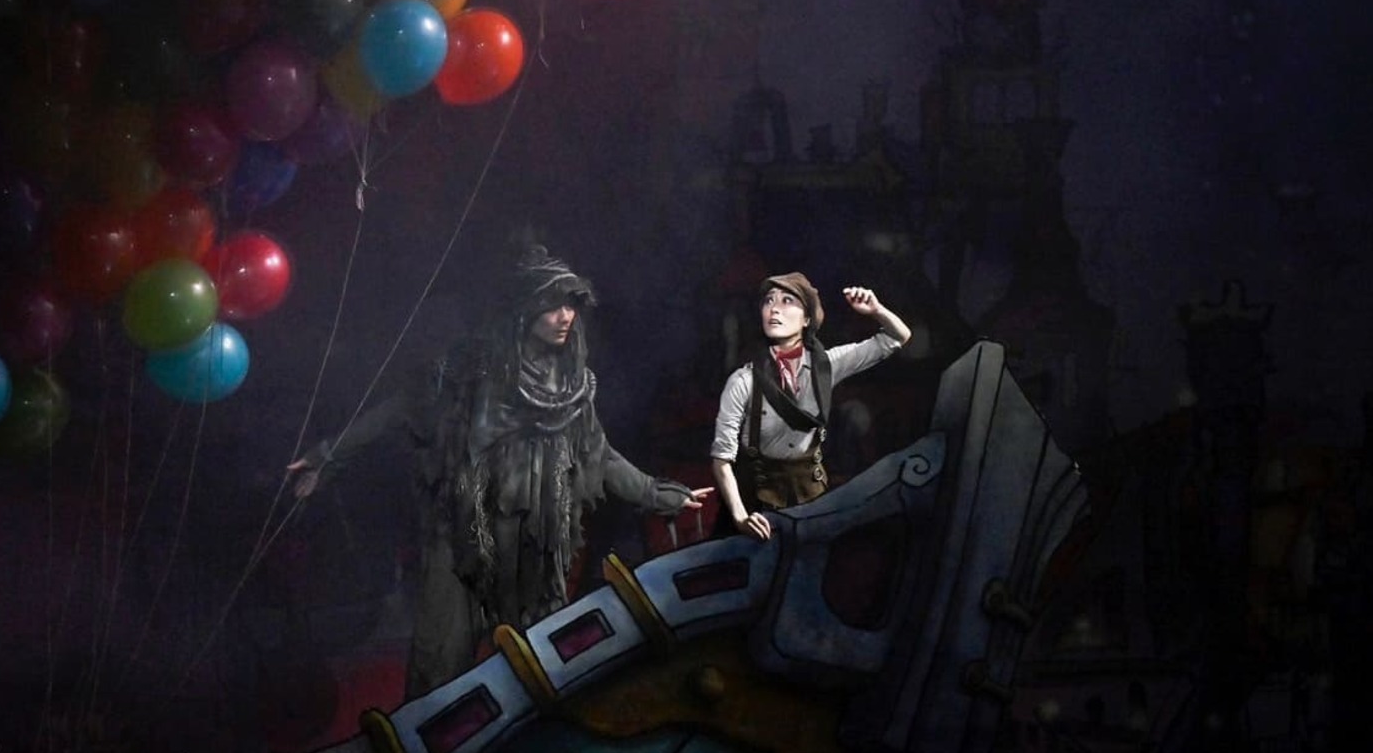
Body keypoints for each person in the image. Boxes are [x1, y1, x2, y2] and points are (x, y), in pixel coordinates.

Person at [288, 244, 711, 697]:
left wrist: (661, 494)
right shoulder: (473, 370)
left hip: (533, 538)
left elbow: (600, 456)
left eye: (571, 305)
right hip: (464, 534)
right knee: (441, 663)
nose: (565, 316)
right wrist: (327, 455)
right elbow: (400, 407)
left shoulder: (570, 385)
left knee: (535, 666)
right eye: (553, 305)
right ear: (526, 310)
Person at [710, 272, 911, 541]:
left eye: (787, 300)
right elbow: (722, 459)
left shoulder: (827, 365)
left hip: (813, 501)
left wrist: (876, 310)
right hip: (758, 508)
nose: (774, 308)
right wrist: (740, 517)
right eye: (769, 301)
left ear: (807, 319)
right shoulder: (743, 381)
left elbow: (897, 337)